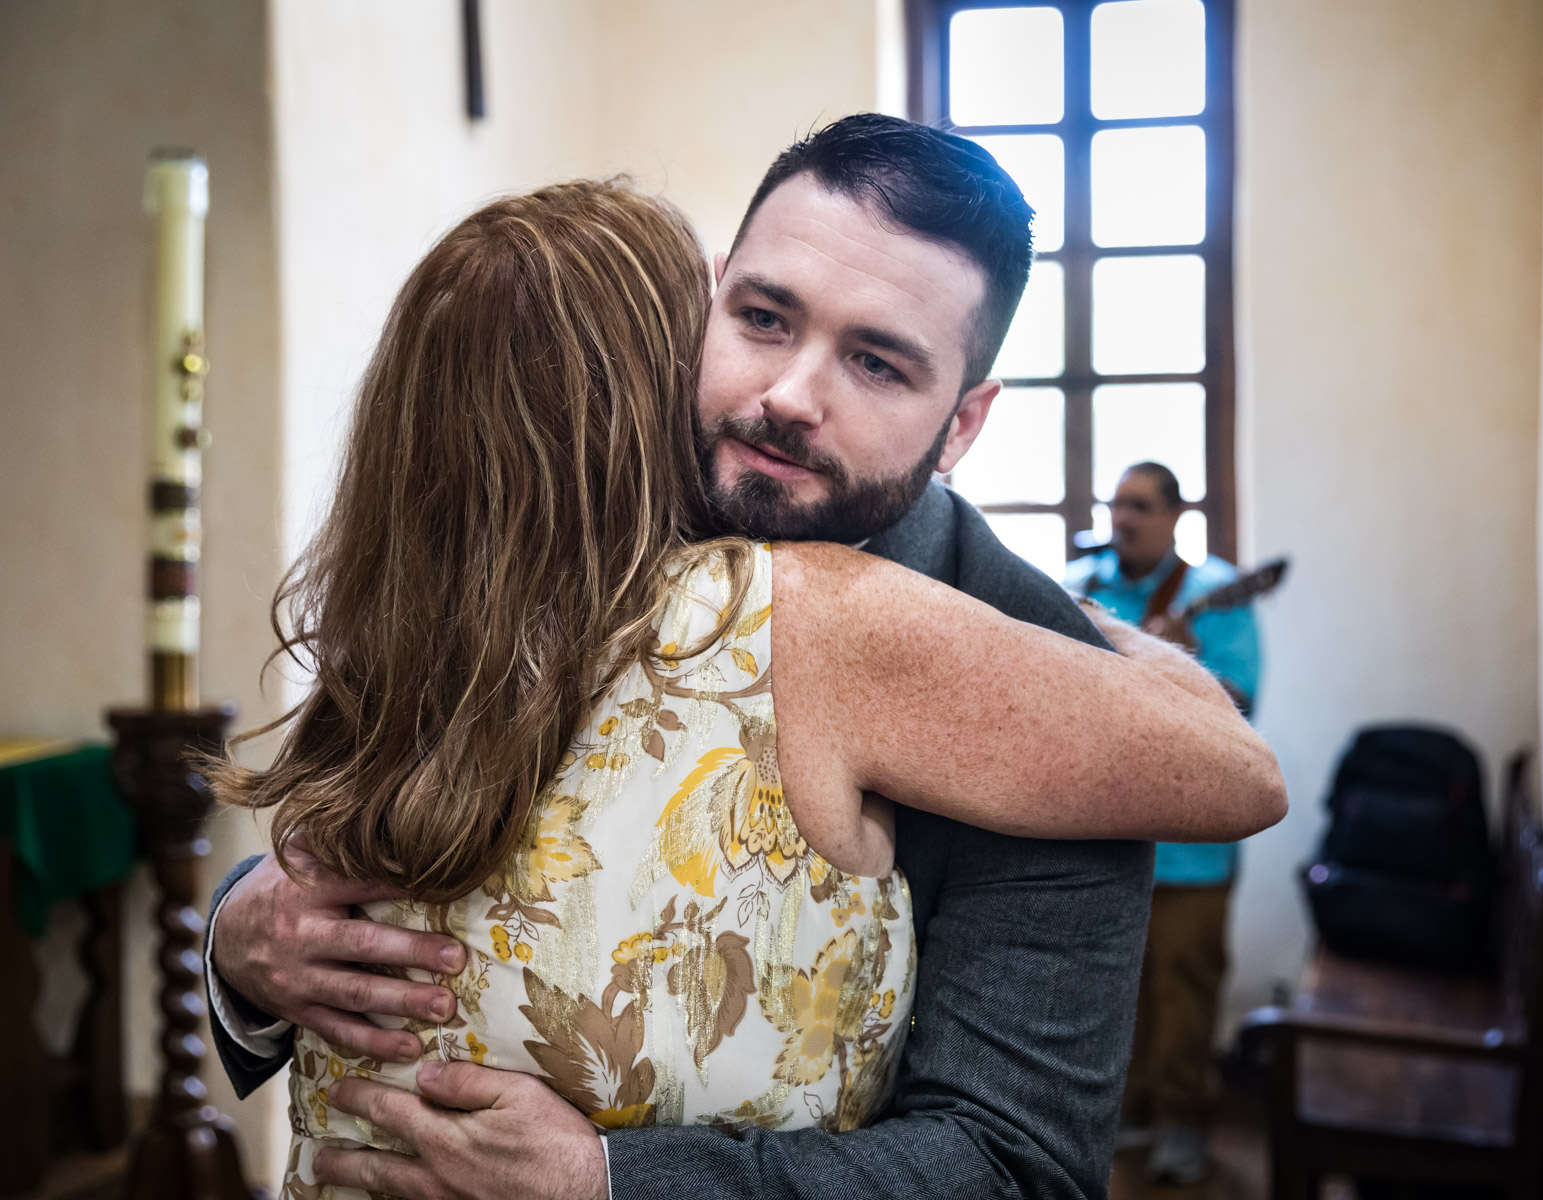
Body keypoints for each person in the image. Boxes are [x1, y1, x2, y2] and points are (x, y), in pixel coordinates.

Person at [204, 117, 1284, 1200]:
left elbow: (1015, 1168)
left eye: (877, 362)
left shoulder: (1041, 680)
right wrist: (242, 941)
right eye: (764, 317)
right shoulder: (570, 512)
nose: (790, 398)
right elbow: (376, 818)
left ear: (962, 426)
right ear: (711, 297)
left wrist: (614, 1183)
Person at [1064, 462, 1263, 1185]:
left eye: (1141, 506)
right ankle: (1131, 1110)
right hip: (1103, 829)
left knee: (1187, 982)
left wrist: (1183, 654)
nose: (1124, 518)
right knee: (1117, 983)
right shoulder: (1078, 584)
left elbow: (1241, 704)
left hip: (1190, 845)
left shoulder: (1217, 595)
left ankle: (1186, 1119)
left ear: (1177, 516)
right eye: (1117, 504)